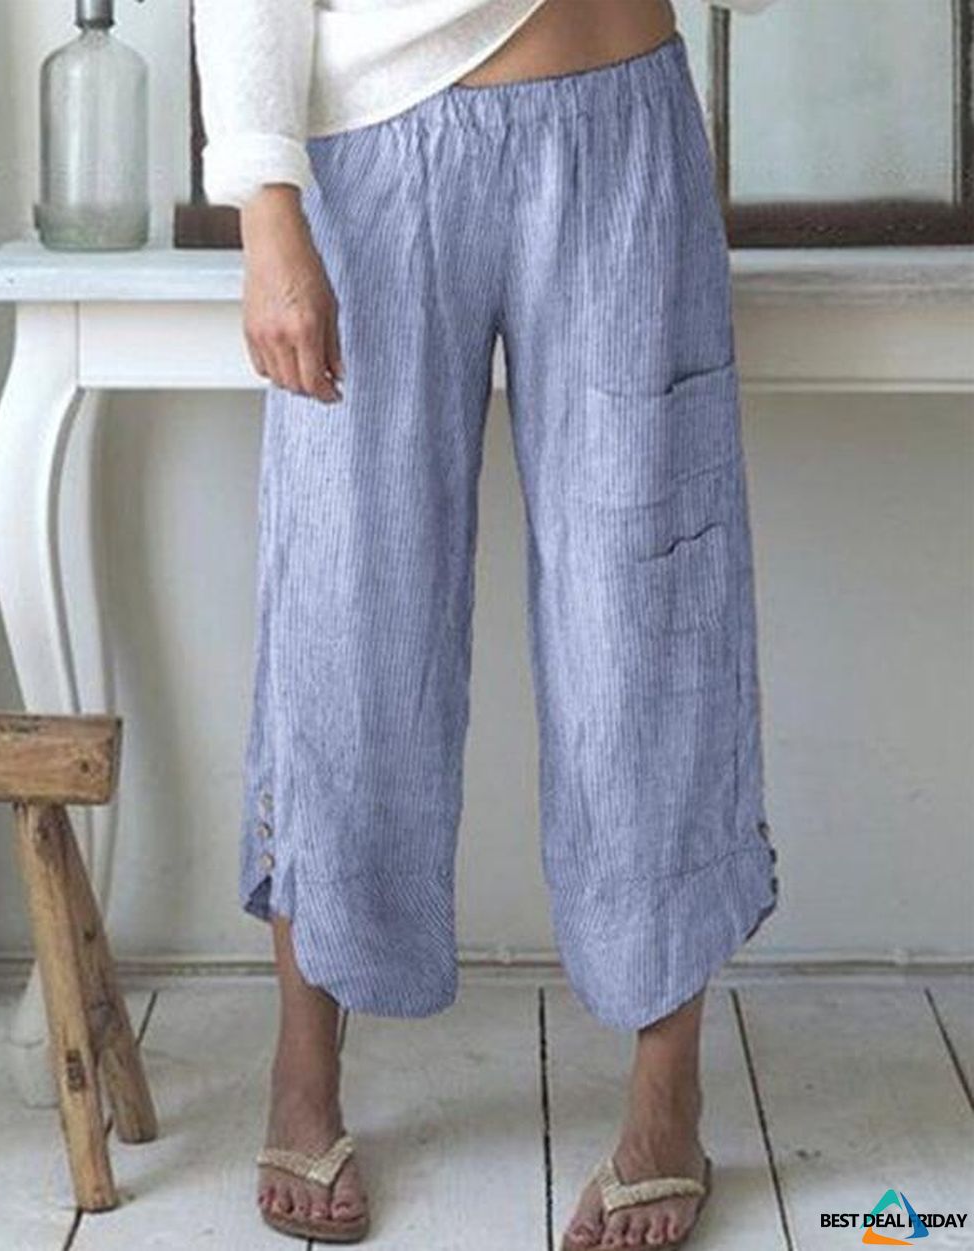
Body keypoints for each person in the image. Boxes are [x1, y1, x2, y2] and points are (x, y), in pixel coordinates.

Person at [193, 0, 781, 1246]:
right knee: (343, 610)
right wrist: (265, 205)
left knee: (648, 616)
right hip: (375, 151)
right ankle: (302, 1071)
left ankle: (666, 1101)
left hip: (623, 121)